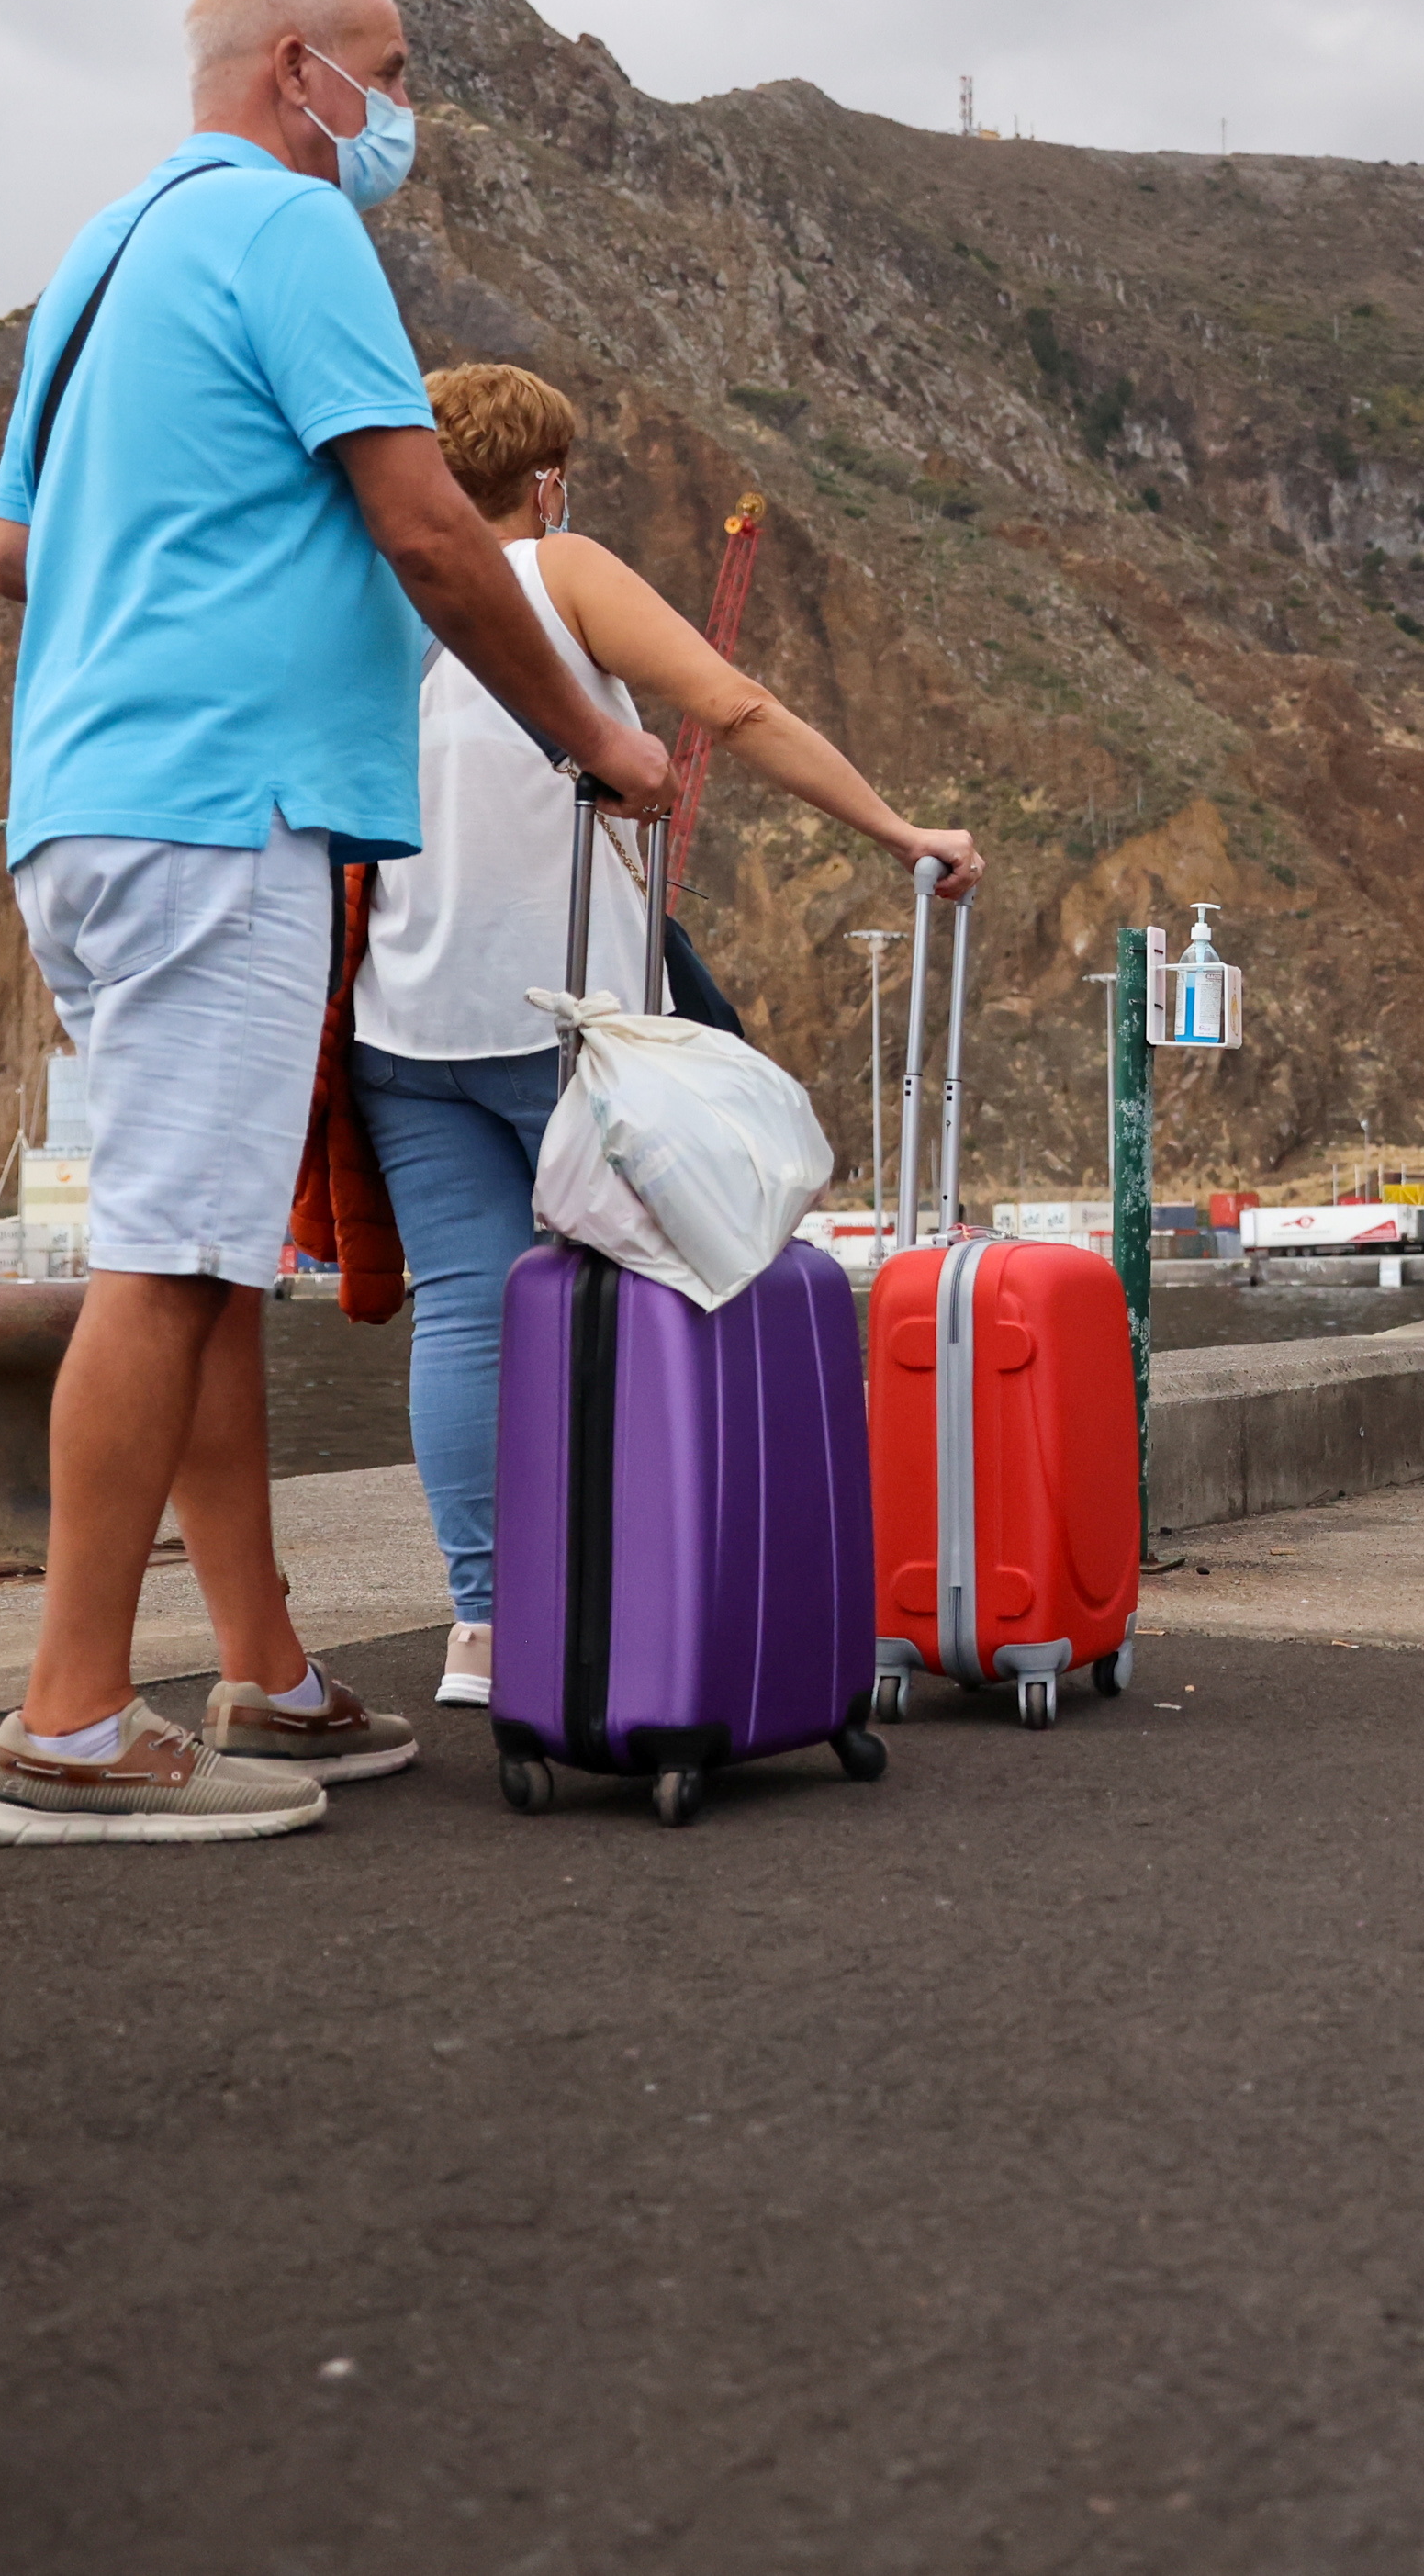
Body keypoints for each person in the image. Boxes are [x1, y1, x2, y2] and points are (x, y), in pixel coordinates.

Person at [0, 0, 678, 1843]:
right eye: (387, 70)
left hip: (87, 806)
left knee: (194, 1248)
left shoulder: (100, 260)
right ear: (299, 72)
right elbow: (429, 522)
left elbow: (7, 552)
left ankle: (266, 1671)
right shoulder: (287, 233)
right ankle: (68, 1717)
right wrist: (592, 737)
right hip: (227, 807)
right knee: (173, 1262)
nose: (399, 109)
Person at [346, 364, 979, 1713]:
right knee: (692, 1272)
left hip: (402, 1018)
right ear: (547, 480)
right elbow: (731, 708)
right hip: (572, 1023)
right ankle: (690, 1588)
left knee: (464, 1314)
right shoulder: (559, 570)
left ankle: (483, 1630)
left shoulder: (382, 591)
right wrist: (900, 834)